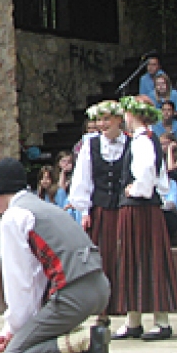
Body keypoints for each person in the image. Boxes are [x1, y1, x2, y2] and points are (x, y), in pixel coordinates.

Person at [0, 158, 112, 353]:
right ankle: (81, 343)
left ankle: (85, 340)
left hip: (73, 294)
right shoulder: (43, 208)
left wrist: (15, 330)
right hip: (100, 287)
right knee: (33, 334)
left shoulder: (13, 217)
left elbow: (22, 283)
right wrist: (11, 331)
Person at [112, 96, 177, 341]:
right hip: (142, 208)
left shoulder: (143, 141)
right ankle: (134, 320)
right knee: (135, 259)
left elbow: (146, 173)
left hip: (140, 208)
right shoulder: (145, 139)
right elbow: (161, 180)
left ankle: (160, 321)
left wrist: (137, 189)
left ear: (135, 115)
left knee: (145, 259)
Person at [69, 100, 128, 327]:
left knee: (122, 256)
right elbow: (83, 179)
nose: (102, 124)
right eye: (100, 120)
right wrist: (84, 209)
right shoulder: (91, 146)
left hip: (123, 208)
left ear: (118, 120)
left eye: (107, 120)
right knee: (101, 259)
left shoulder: (130, 144)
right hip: (101, 209)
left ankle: (124, 307)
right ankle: (101, 311)